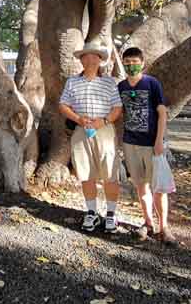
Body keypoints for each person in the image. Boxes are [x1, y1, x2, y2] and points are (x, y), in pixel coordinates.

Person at [58, 40, 123, 233]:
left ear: (100, 59)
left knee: (110, 174)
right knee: (86, 173)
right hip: (81, 130)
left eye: (94, 56)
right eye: (86, 56)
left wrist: (102, 121)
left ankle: (111, 214)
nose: (90, 59)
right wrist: (78, 119)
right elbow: (63, 105)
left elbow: (117, 107)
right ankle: (92, 213)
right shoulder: (72, 81)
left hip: (104, 130)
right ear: (81, 60)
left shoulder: (109, 82)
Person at [118, 47, 176, 245]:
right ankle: (148, 222)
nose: (131, 66)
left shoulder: (152, 83)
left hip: (152, 144)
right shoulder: (121, 87)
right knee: (141, 185)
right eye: (127, 62)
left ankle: (164, 227)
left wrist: (159, 140)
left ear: (142, 63)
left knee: (158, 187)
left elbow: (162, 113)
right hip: (130, 144)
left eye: (135, 62)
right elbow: (119, 113)